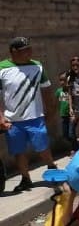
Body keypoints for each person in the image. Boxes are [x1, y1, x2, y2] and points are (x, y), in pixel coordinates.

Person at [0, 37, 57, 192]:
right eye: (26, 50)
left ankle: (52, 168)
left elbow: (46, 90)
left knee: (43, 147)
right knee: (18, 151)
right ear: (14, 51)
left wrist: (50, 112)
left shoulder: (37, 66)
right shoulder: (2, 68)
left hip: (35, 117)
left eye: (30, 49)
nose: (30, 52)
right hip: (12, 120)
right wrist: (1, 117)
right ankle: (26, 179)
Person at [55, 71, 78, 154]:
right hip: (63, 115)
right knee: (65, 135)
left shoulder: (71, 91)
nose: (62, 82)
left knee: (71, 133)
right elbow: (56, 102)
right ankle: (76, 144)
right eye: (60, 80)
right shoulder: (59, 91)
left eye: (64, 80)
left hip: (72, 115)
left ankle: (74, 149)